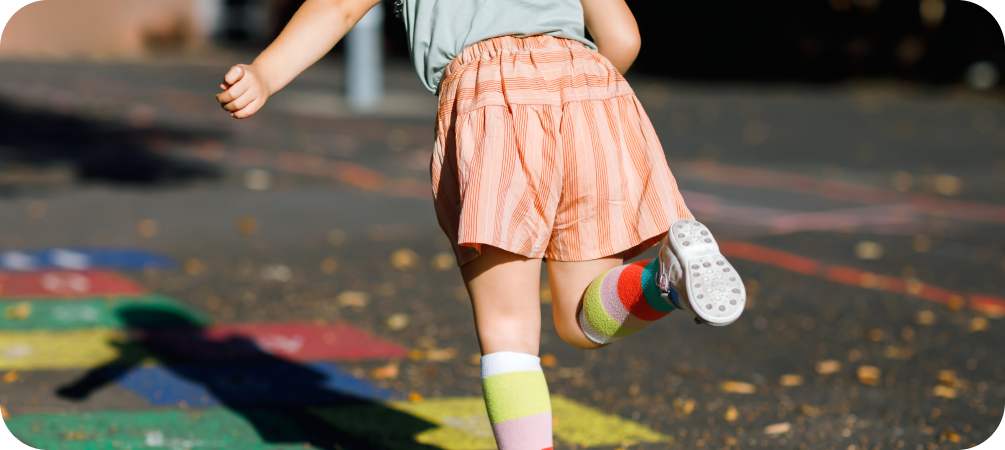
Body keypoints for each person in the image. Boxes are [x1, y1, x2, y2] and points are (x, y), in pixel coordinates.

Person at [215, 1, 747, 448]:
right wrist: (567, 88)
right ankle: (664, 280)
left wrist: (264, 74)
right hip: (593, 93)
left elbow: (339, 6)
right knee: (579, 317)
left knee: (509, 332)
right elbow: (622, 36)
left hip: (493, 100)